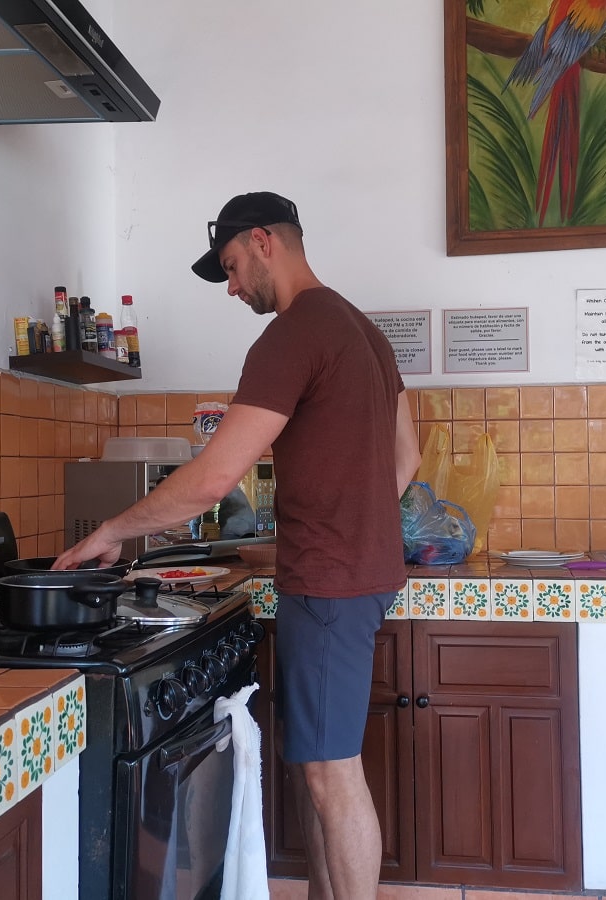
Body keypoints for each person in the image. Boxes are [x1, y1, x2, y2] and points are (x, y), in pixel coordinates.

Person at [54, 190, 422, 899]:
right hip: (359, 575)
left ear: (262, 242)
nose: (230, 287)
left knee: (331, 773)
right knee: (317, 764)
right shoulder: (364, 332)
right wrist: (348, 519)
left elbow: (214, 478)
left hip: (328, 585)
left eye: (229, 267)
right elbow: (406, 458)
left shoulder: (293, 333)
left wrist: (110, 530)